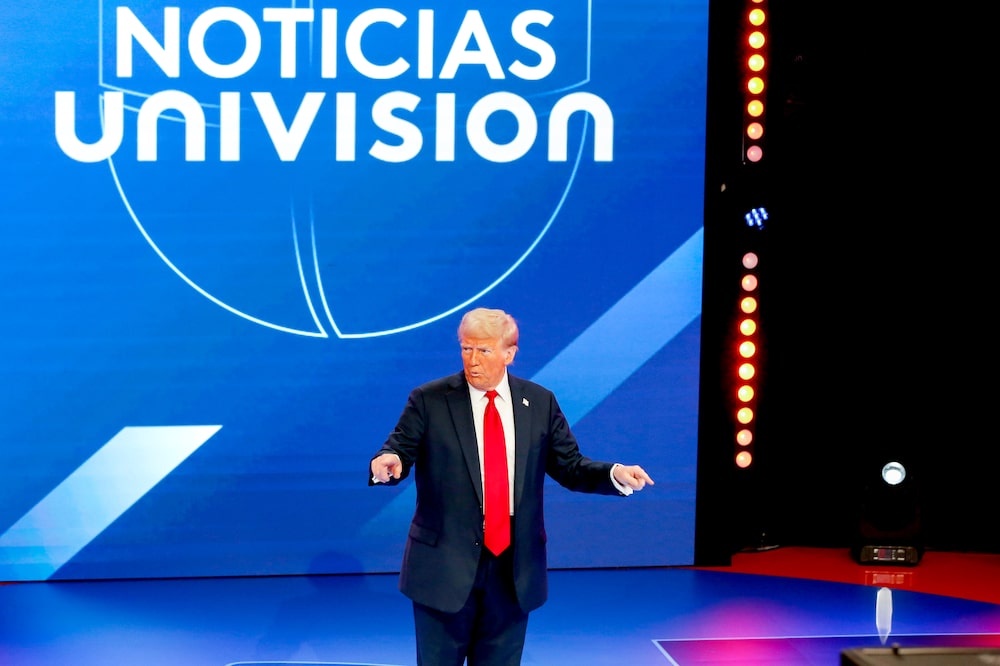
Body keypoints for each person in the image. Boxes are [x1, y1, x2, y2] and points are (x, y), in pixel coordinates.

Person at [369, 307, 654, 666]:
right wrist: (388, 461)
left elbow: (570, 466)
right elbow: (400, 447)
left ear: (509, 353)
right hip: (444, 566)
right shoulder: (429, 399)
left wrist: (614, 474)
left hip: (513, 570)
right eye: (466, 348)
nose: (472, 360)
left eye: (484, 350)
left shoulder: (538, 402)